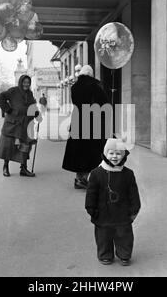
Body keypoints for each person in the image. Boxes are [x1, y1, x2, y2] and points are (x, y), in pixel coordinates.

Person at [85, 138, 141, 266]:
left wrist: (134, 209)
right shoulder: (96, 174)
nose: (114, 156)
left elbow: (133, 193)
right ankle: (105, 254)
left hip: (122, 213)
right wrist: (91, 209)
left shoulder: (128, 174)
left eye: (118, 153)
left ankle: (124, 254)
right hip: (102, 213)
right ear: (105, 153)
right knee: (103, 236)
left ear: (123, 155)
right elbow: (91, 194)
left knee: (124, 235)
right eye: (111, 153)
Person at [62, 65, 110, 189]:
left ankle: (79, 179)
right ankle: (87, 179)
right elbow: (105, 104)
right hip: (92, 122)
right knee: (91, 151)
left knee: (79, 150)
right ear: (91, 74)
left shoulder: (74, 87)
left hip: (78, 120)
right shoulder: (94, 86)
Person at [0, 75, 42, 177]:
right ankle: (5, 166)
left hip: (25, 124)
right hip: (13, 124)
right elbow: (0, 97)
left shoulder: (30, 94)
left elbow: (32, 106)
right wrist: (8, 109)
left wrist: (37, 114)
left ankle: (23, 169)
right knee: (8, 146)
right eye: (24, 82)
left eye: (28, 82)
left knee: (25, 147)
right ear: (20, 82)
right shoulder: (13, 91)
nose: (26, 84)